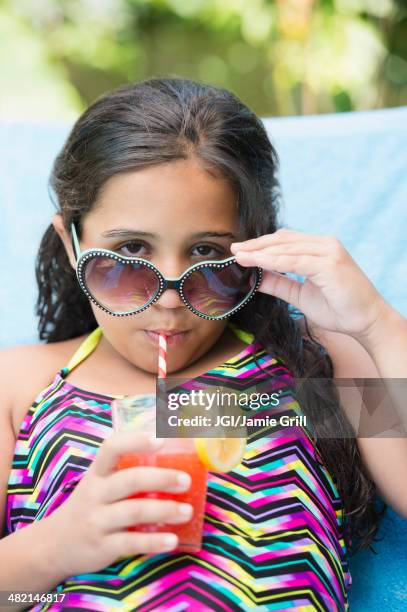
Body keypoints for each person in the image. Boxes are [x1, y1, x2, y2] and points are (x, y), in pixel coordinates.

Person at [0, 77, 406, 612]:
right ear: (69, 241)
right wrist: (55, 548)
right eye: (130, 250)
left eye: (206, 253)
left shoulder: (309, 374)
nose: (169, 298)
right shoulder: (23, 386)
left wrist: (375, 325)